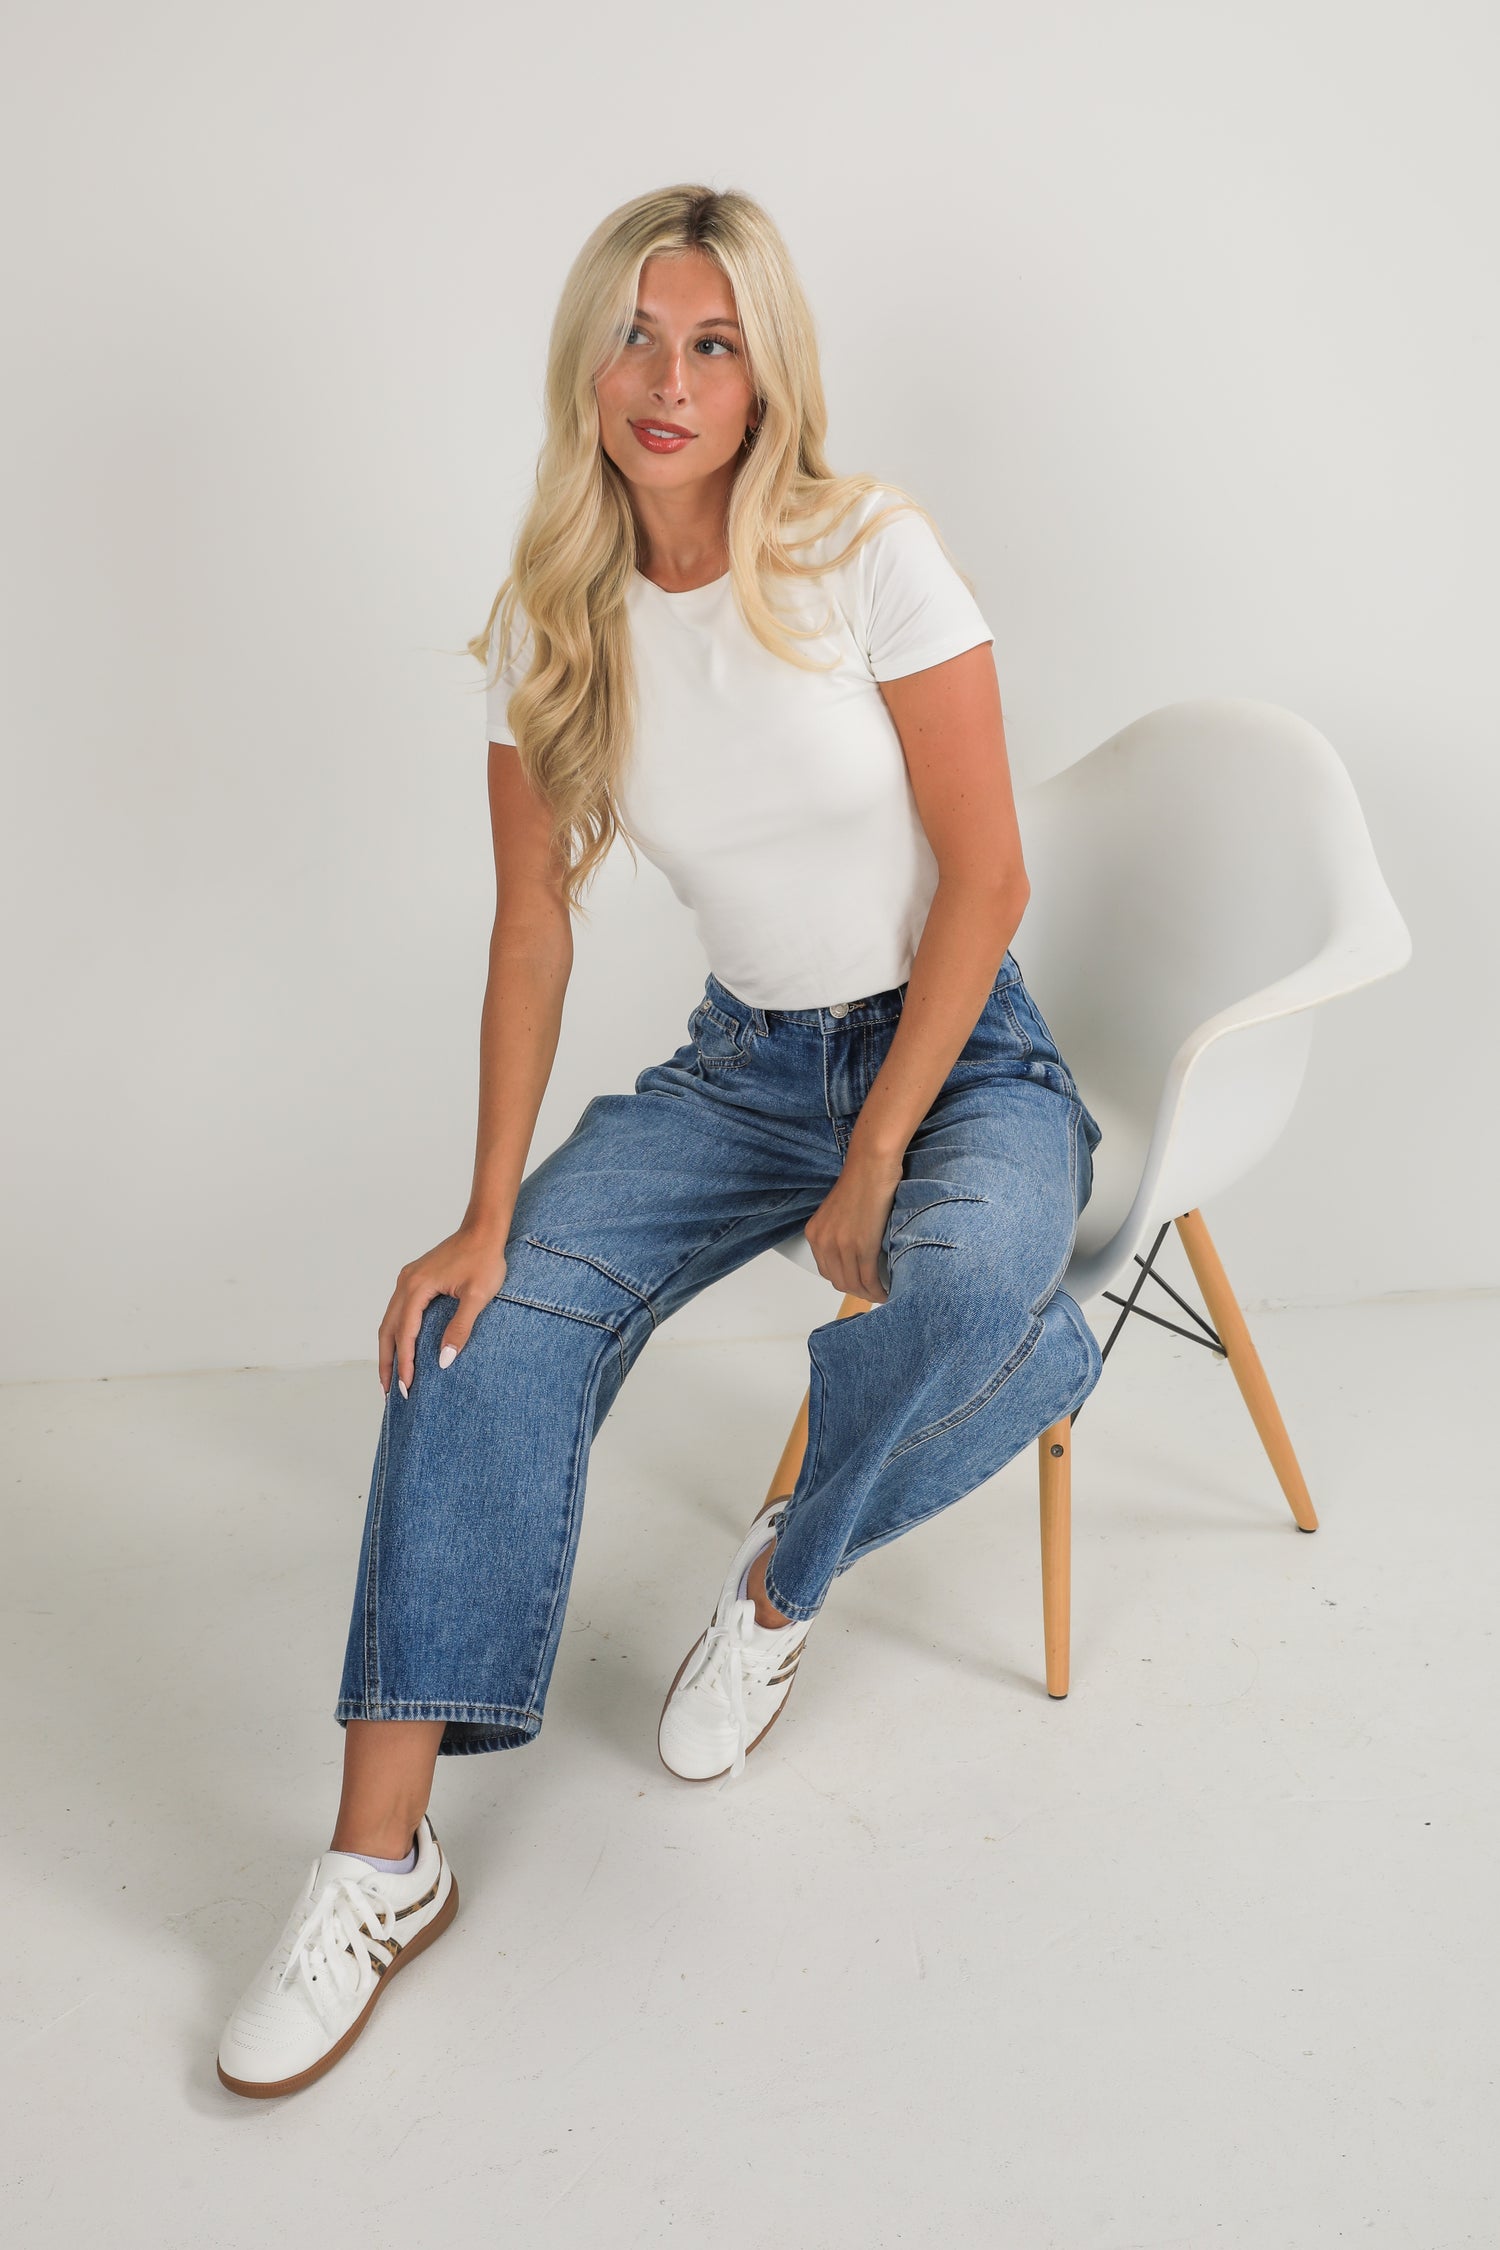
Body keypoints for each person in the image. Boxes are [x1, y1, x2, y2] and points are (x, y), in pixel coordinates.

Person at [216, 182, 1104, 2100]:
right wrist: (478, 1222)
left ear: (767, 365)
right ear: (588, 362)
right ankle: (380, 1861)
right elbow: (532, 922)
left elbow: (993, 873)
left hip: (960, 1059)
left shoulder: (870, 551)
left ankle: (784, 1578)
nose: (670, 379)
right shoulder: (560, 614)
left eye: (712, 341)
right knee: (473, 1331)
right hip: (737, 1069)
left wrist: (874, 1154)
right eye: (637, 336)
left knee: (957, 1289)